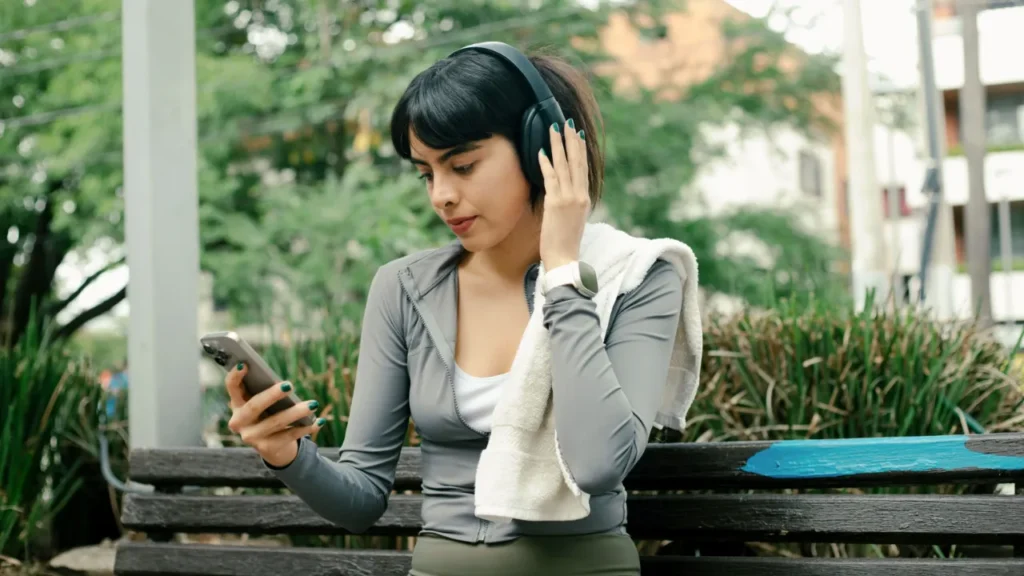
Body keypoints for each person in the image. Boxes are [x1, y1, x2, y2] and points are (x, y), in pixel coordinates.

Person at [223, 42, 693, 576]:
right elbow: (358, 501)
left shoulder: (634, 277)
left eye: (462, 165)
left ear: (544, 148)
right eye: (426, 174)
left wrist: (563, 272)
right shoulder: (403, 289)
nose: (440, 196)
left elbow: (597, 464)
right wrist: (287, 454)